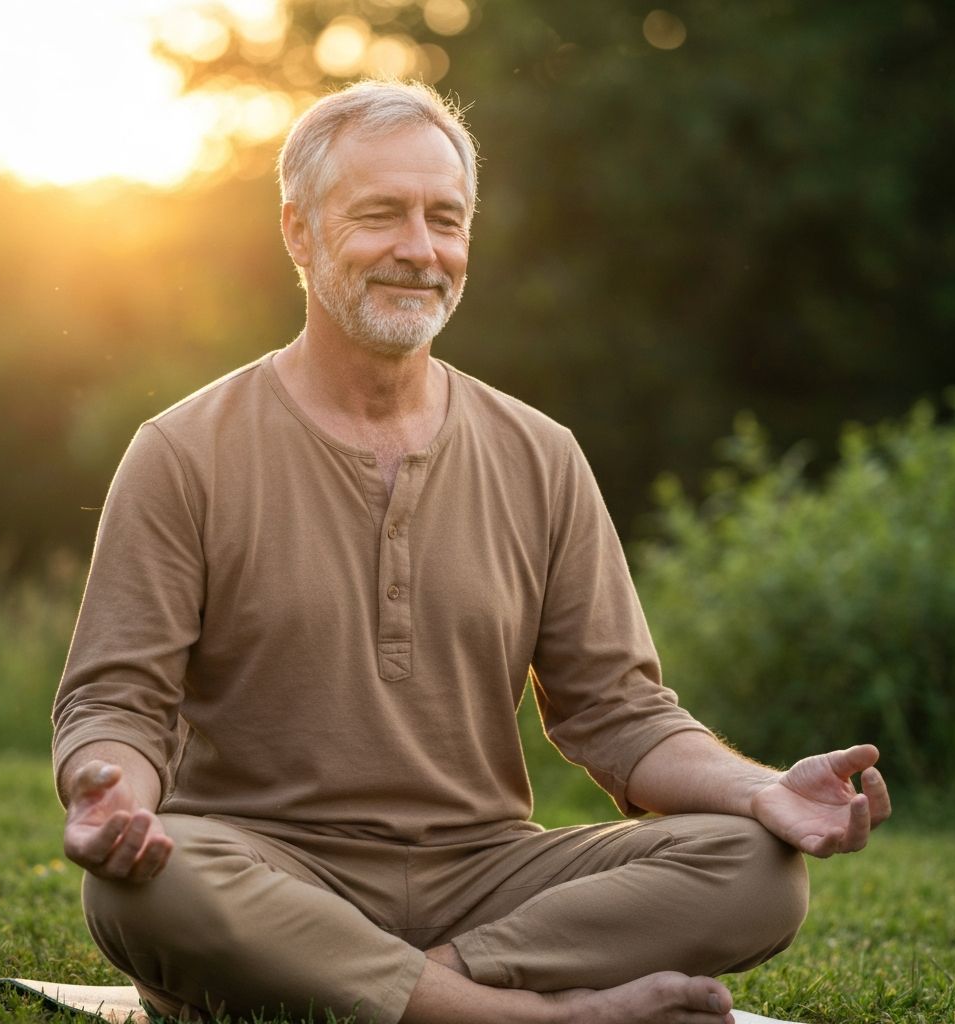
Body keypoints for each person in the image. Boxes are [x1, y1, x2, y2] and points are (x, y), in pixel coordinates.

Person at [53, 79, 891, 1024]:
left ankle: (400, 990)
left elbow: (618, 712)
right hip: (267, 862)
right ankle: (527, 1018)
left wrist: (763, 789)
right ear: (297, 230)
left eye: (444, 220)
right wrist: (110, 786)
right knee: (143, 880)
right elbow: (117, 700)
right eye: (380, 215)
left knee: (756, 866)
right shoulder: (182, 449)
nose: (420, 249)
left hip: (487, 876)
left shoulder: (541, 453)